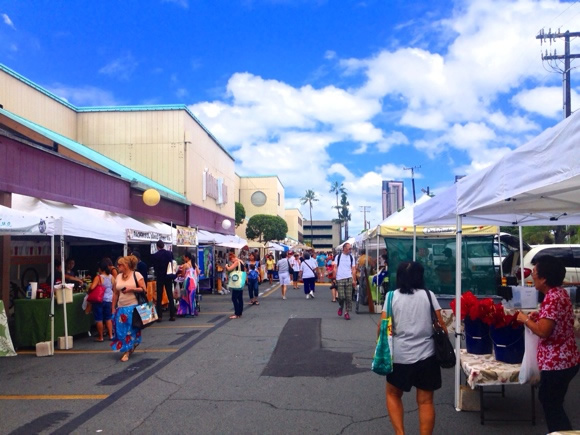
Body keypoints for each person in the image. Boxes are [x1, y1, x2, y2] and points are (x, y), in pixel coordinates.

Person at [516, 255, 579, 433]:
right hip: (567, 359)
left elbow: (544, 331)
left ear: (544, 278)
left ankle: (561, 433)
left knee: (551, 405)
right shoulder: (559, 294)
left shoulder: (552, 298)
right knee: (553, 402)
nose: (532, 276)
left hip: (557, 362)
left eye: (534, 272)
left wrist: (525, 320)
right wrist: (538, 318)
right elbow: (552, 323)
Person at [382, 261, 446, 435]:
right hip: (427, 355)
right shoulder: (428, 295)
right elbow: (441, 325)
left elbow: (383, 328)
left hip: (399, 355)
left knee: (393, 394)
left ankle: (400, 433)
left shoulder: (390, 297)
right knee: (425, 402)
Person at [111, 255, 146, 362]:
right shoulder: (118, 277)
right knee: (121, 330)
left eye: (120, 265)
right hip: (121, 307)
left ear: (126, 265)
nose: (118, 266)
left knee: (130, 330)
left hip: (133, 306)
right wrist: (113, 307)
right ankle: (128, 347)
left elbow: (144, 289)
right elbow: (115, 294)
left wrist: (131, 288)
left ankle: (127, 351)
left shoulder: (136, 274)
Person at [89, 260, 115, 342]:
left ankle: (101, 337)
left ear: (100, 269)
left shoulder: (98, 277)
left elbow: (92, 287)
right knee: (108, 318)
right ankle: (111, 335)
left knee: (99, 318)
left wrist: (90, 288)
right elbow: (114, 288)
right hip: (109, 300)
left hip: (99, 299)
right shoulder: (111, 277)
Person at [150, 240, 176, 322]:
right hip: (168, 276)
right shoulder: (169, 254)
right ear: (163, 245)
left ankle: (160, 316)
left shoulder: (155, 255)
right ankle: (172, 315)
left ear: (157, 247)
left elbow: (155, 267)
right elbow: (173, 263)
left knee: (159, 296)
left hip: (160, 277)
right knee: (170, 296)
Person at [334, 243, 357, 320]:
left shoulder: (351, 257)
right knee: (341, 296)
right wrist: (334, 278)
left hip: (349, 278)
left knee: (349, 297)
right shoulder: (338, 257)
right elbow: (335, 267)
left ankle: (347, 312)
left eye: (351, 248)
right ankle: (341, 306)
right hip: (340, 278)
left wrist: (354, 280)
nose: (350, 250)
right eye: (349, 248)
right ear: (344, 248)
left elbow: (353, 269)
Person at [177, 251, 200, 317]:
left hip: (187, 282)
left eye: (184, 257)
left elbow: (183, 274)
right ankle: (192, 311)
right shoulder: (194, 264)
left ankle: (187, 312)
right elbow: (198, 272)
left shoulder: (185, 265)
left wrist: (179, 275)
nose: (184, 258)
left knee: (185, 297)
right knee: (192, 297)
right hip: (193, 282)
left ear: (187, 257)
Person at [225, 250, 244, 319]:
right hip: (241, 280)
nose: (231, 262)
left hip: (237, 281)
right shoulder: (241, 261)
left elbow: (230, 269)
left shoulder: (236, 262)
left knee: (234, 298)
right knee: (240, 298)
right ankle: (240, 312)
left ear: (232, 258)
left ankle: (237, 313)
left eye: (231, 260)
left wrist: (226, 266)